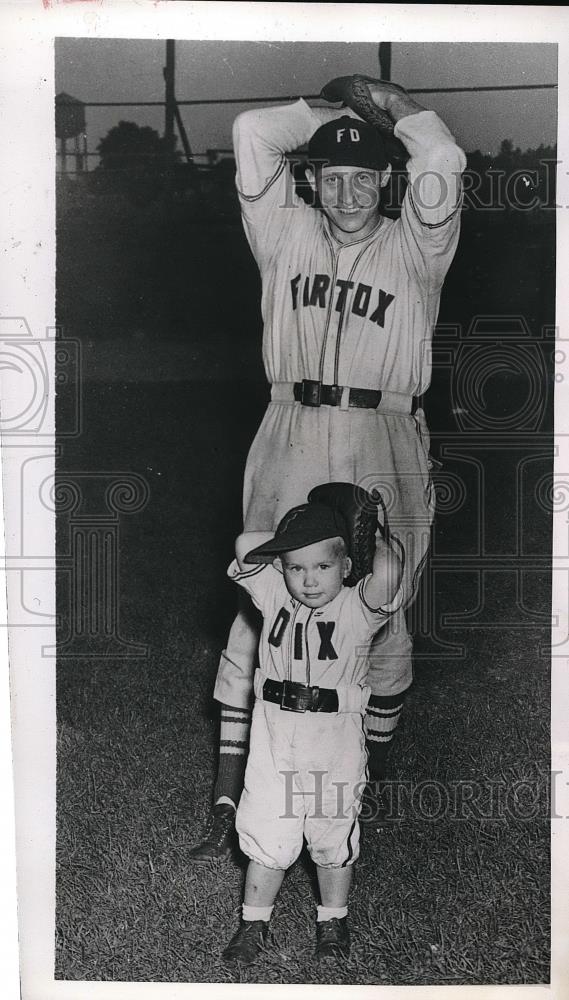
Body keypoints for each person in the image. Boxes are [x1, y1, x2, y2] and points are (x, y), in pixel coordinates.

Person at [189, 76, 466, 861]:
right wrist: (339, 113)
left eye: (364, 174)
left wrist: (392, 104)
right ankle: (229, 790)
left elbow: (440, 151)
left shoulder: (419, 242)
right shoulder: (284, 230)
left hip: (382, 430)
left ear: (388, 180)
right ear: (310, 179)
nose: (346, 189)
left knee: (378, 602)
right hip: (291, 424)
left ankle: (362, 776)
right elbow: (250, 130)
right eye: (330, 174)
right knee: (262, 599)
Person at [221, 497, 403, 964]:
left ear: (347, 564)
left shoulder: (357, 607)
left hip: (333, 737)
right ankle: (253, 924)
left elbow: (388, 572)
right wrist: (300, 533)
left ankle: (332, 920)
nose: (308, 579)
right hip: (274, 735)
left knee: (330, 829)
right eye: (295, 567)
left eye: (323, 564)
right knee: (268, 825)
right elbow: (246, 545)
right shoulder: (274, 592)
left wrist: (373, 535)